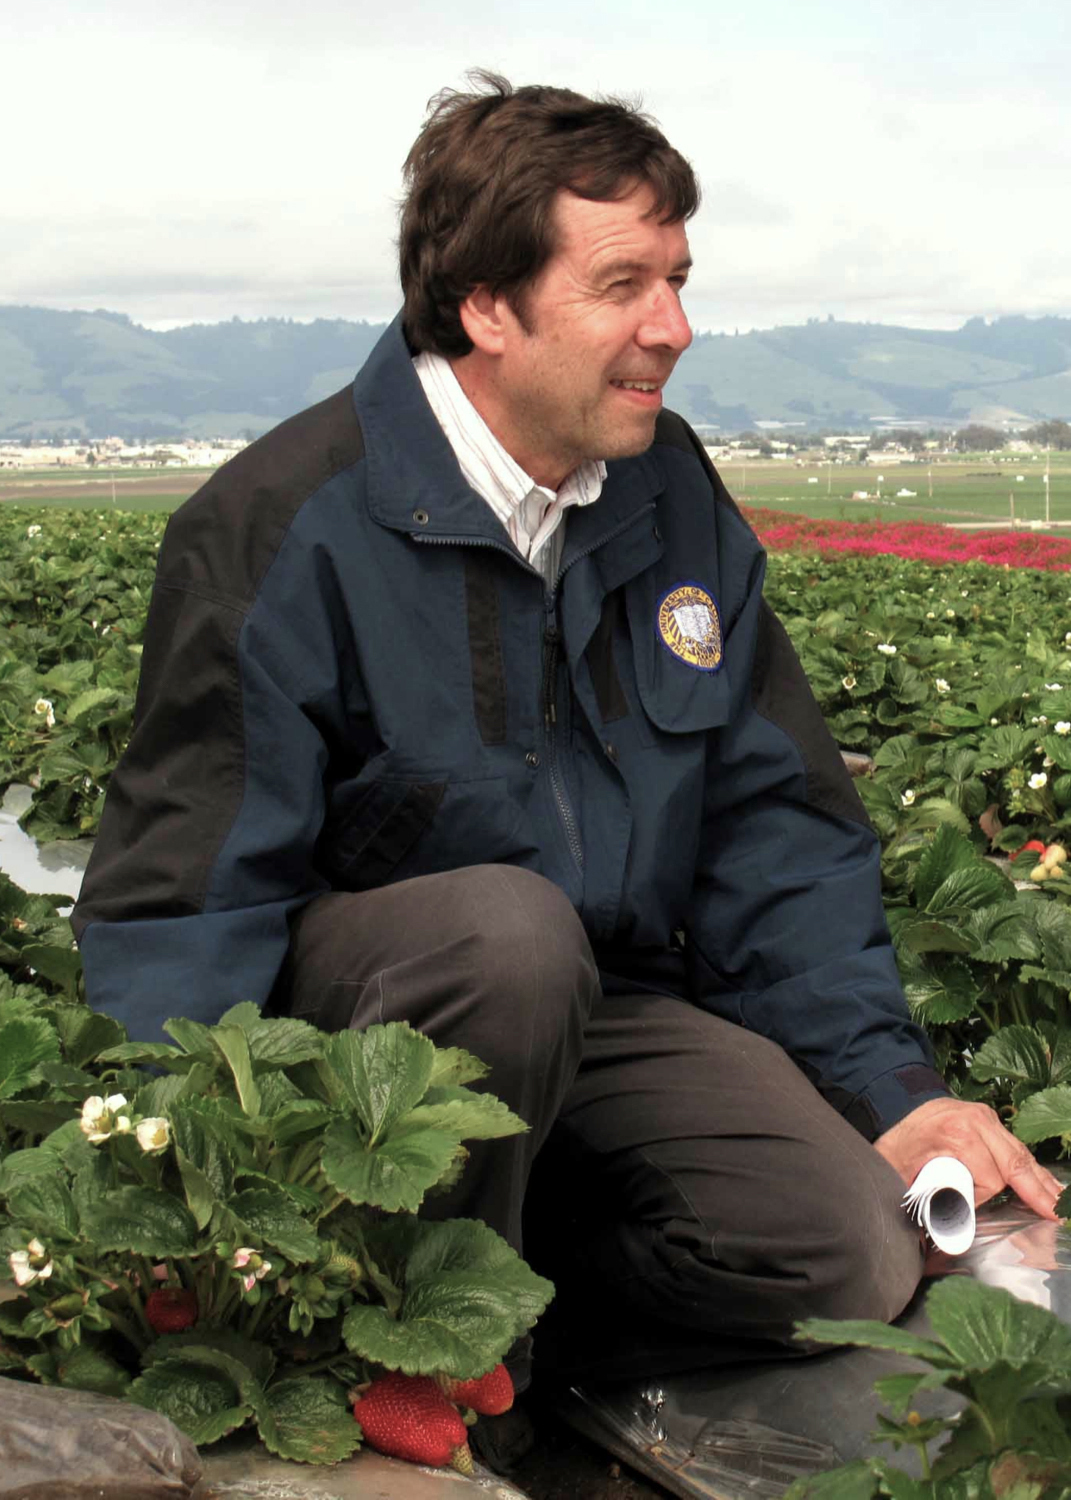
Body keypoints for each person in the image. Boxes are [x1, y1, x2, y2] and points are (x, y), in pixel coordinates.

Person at [73, 72, 1061, 1411]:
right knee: (508, 937)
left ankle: (481, 1326)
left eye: (678, 276)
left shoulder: (667, 493)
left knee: (843, 1246)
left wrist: (890, 1093)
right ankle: (377, 1348)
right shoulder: (282, 528)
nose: (675, 326)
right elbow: (187, 910)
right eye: (623, 285)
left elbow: (775, 831)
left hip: (614, 1010)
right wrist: (201, 1214)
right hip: (365, 1057)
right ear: (487, 305)